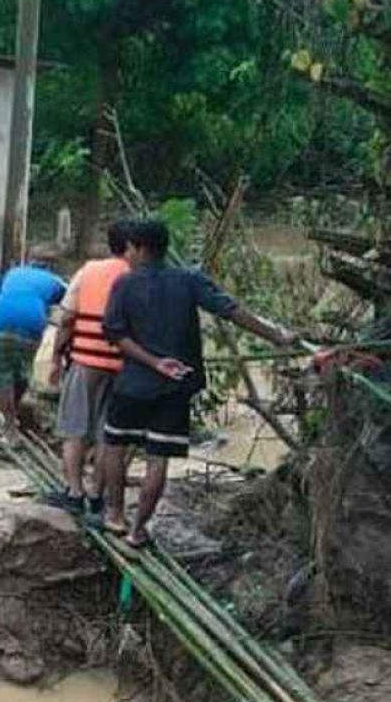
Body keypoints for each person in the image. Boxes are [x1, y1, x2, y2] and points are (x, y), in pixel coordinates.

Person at [100, 219, 296, 548]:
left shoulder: (125, 284)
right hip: (175, 387)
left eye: (130, 249)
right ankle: (137, 530)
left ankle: (115, 516)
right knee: (157, 459)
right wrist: (277, 336)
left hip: (133, 384)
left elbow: (115, 335)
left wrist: (151, 361)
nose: (127, 256)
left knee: (115, 447)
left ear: (140, 248)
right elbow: (231, 311)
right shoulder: (188, 280)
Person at [48, 219, 135, 517]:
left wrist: (55, 359)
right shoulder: (139, 275)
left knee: (74, 429)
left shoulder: (89, 271)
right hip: (123, 366)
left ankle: (74, 492)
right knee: (106, 436)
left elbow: (67, 318)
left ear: (109, 243)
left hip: (85, 361)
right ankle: (97, 495)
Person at [0, 260, 67, 430]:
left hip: (1, 318)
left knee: (0, 375)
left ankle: (9, 423)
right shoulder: (55, 280)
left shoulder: (10, 275)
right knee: (23, 372)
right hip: (32, 321)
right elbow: (74, 298)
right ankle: (13, 415)